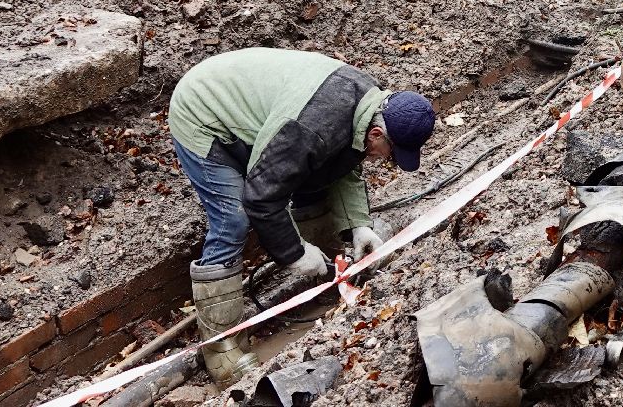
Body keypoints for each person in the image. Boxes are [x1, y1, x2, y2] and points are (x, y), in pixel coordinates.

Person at [168, 48, 436, 385]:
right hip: (204, 112)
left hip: (264, 112)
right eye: (391, 154)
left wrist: (359, 226)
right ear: (377, 135)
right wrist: (295, 253)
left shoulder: (369, 106)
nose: (386, 160)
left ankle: (328, 276)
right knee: (233, 219)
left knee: (314, 171)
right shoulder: (311, 128)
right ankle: (221, 349)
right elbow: (261, 197)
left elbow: (345, 163)